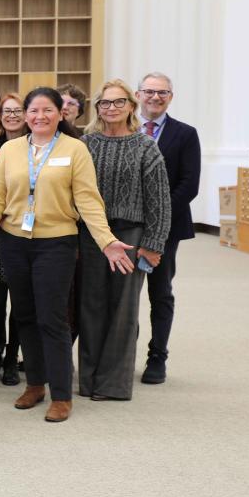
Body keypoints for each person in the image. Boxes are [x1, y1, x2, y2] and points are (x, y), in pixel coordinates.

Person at [0, 87, 135, 423]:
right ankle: (36, 384)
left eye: (47, 110)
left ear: (60, 113)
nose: (39, 116)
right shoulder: (11, 150)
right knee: (24, 314)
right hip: (14, 241)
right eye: (33, 111)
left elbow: (88, 200)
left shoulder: (75, 149)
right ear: (24, 115)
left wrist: (106, 240)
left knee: (52, 318)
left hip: (56, 243)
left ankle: (61, 394)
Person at [78, 80, 170, 401]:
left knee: (123, 310)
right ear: (98, 109)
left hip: (131, 235)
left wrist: (154, 245)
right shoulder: (85, 144)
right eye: (105, 103)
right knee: (90, 306)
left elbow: (159, 200)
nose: (112, 108)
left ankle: (113, 384)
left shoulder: (146, 146)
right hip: (91, 235)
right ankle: (88, 379)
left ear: (131, 106)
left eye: (118, 103)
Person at [135, 71, 200, 384]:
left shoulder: (185, 134)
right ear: (138, 95)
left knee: (160, 292)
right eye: (149, 91)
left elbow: (189, 185)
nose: (155, 97)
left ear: (170, 97)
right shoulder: (126, 130)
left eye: (162, 93)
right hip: (126, 228)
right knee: (122, 297)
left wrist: (156, 215)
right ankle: (119, 355)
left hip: (166, 230)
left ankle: (157, 356)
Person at [0, 92, 27, 384]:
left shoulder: (35, 145)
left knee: (20, 303)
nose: (11, 115)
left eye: (17, 110)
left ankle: (13, 358)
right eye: (6, 111)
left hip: (26, 234)